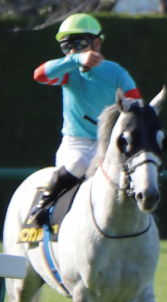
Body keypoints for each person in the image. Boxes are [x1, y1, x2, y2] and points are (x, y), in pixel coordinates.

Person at [28, 13, 142, 226]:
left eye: (79, 44)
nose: (72, 51)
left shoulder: (116, 73)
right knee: (78, 164)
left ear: (96, 44)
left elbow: (137, 107)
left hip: (108, 145)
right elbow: (39, 75)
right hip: (76, 145)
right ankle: (40, 208)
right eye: (66, 47)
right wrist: (74, 59)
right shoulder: (68, 72)